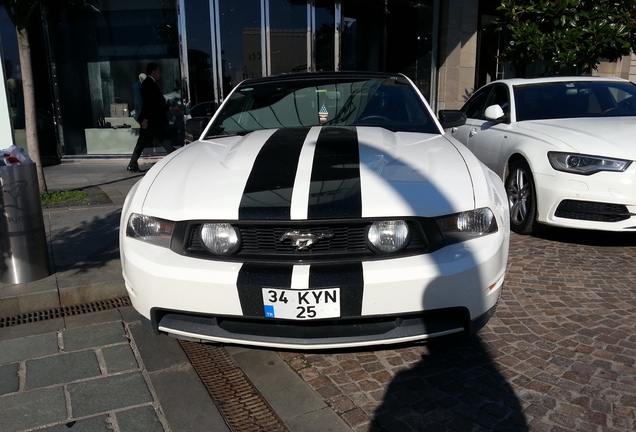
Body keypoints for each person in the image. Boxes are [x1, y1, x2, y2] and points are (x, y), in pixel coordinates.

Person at [127, 63, 176, 172]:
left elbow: (155, 102)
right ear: (153, 72)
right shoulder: (148, 84)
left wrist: (169, 108)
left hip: (152, 119)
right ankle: (176, 158)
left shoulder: (149, 83)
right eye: (158, 72)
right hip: (152, 119)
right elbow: (148, 103)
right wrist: (145, 119)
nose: (160, 75)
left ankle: (132, 164)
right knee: (163, 139)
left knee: (147, 141)